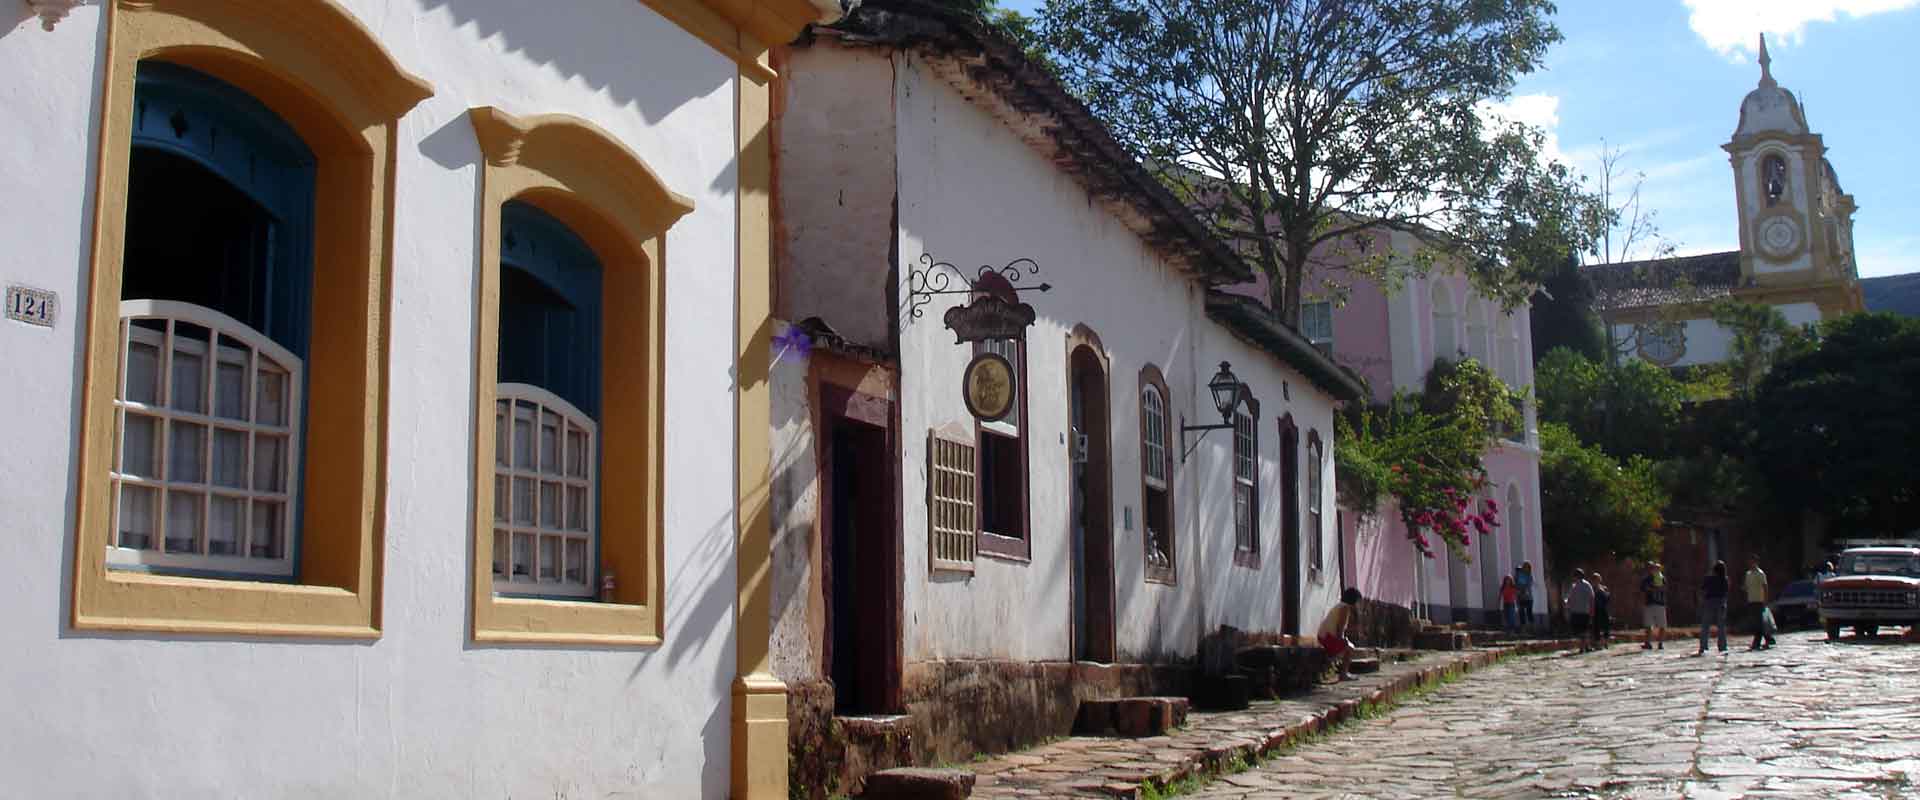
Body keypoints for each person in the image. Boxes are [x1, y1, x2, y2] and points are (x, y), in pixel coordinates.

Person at [1318, 587, 1363, 680]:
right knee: (1350, 648)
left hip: (1324, 636)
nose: (1358, 605)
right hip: (1326, 638)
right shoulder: (1345, 608)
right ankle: (1343, 674)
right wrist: (1343, 642)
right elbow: (1340, 630)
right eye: (1358, 601)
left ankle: (1334, 664)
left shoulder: (1340, 606)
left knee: (1347, 645)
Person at [1745, 555, 1776, 650]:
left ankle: (1757, 642)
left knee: (1759, 623)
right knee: (1757, 623)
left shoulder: (1760, 573)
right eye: (1750, 561)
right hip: (1751, 601)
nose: (1751, 563)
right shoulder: (1748, 574)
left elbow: (1765, 586)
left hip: (1759, 601)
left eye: (1753, 561)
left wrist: (1765, 600)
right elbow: (1747, 587)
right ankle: (1769, 638)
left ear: (1756, 562)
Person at [1699, 561, 1730, 654]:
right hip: (1721, 602)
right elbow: (1726, 592)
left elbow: (1702, 589)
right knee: (1721, 626)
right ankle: (1722, 647)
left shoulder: (1708, 578)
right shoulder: (1725, 579)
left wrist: (1702, 600)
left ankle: (1703, 647)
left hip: (1709, 602)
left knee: (1705, 625)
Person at [1565, 569, 1595, 653]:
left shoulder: (1574, 586)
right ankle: (1586, 647)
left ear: (1576, 576)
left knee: (1580, 631)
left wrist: (1567, 608)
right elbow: (1592, 598)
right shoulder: (1587, 585)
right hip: (1584, 611)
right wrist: (1592, 610)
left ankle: (1583, 647)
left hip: (1576, 611)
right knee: (1584, 630)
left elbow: (1568, 599)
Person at [1641, 562, 1669, 650]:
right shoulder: (1647, 579)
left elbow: (1664, 589)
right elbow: (1643, 589)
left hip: (1657, 604)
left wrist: (1654, 588)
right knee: (1649, 625)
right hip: (1651, 604)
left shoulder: (1662, 578)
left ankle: (1659, 643)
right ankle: (1649, 643)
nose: (1655, 570)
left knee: (1661, 625)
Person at [1515, 562, 1537, 629]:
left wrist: (1522, 589)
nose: (1526, 568)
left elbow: (1528, 585)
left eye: (1527, 567)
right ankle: (1523, 627)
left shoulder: (1530, 576)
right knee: (1521, 612)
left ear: (1529, 568)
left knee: (1529, 612)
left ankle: (1532, 627)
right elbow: (1516, 584)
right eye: (1525, 567)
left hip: (1528, 598)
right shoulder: (1519, 575)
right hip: (1520, 597)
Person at [1593, 581, 1613, 645]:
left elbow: (1608, 600)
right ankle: (1598, 643)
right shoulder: (1592, 589)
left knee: (1605, 627)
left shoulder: (1603, 588)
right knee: (1597, 627)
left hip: (1603, 610)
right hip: (1596, 610)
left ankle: (1605, 642)